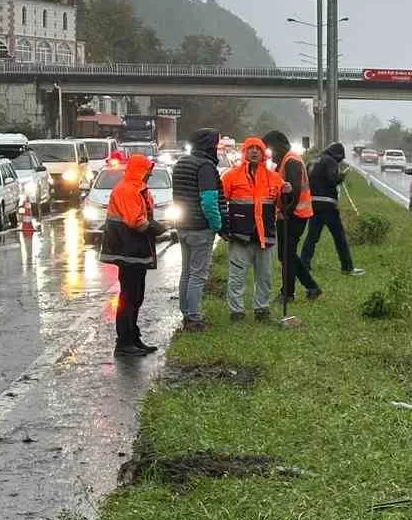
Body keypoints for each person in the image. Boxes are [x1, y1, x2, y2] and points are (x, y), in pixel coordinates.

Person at [99, 154, 160, 357]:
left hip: (133, 249)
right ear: (139, 170)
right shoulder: (127, 190)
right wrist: (155, 228)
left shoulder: (138, 189)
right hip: (127, 249)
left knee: (136, 295)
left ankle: (133, 337)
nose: (150, 173)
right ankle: (124, 341)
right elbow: (136, 221)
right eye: (148, 170)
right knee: (129, 296)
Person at [222, 137, 283, 321]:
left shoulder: (274, 178)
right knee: (237, 276)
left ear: (263, 153)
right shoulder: (231, 176)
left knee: (265, 277)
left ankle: (262, 309)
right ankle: (236, 312)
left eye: (258, 148)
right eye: (251, 148)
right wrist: (224, 227)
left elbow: (283, 205)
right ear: (245, 152)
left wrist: (288, 193)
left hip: (266, 236)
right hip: (240, 236)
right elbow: (220, 202)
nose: (255, 151)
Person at [170, 128, 223, 330]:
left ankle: (186, 313)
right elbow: (209, 201)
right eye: (215, 144)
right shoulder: (205, 166)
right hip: (200, 227)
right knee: (198, 275)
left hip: (183, 226)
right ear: (209, 145)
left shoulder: (182, 162)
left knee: (186, 273)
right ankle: (194, 318)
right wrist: (217, 225)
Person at [265, 131, 321, 304]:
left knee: (287, 255)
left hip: (294, 215)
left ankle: (288, 293)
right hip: (290, 214)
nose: (269, 154)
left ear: (278, 146)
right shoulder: (285, 161)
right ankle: (311, 287)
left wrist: (286, 212)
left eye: (270, 150)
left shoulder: (292, 161)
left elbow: (295, 190)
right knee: (286, 254)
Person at [301, 141, 364, 276]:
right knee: (339, 237)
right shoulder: (330, 161)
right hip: (328, 205)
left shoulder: (313, 161)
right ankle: (347, 267)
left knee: (311, 237)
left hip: (313, 204)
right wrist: (341, 176)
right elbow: (332, 180)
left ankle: (304, 264)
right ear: (338, 155)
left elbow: (305, 180)